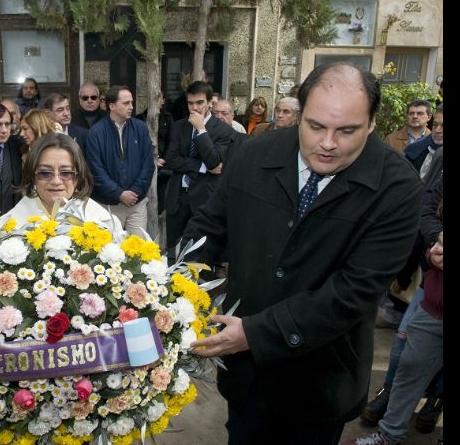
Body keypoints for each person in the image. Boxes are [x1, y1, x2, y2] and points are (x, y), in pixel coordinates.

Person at [184, 63, 422, 445]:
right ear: (299, 113)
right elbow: (207, 230)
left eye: (346, 131)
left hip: (320, 384)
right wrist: (168, 292)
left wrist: (256, 333)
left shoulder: (398, 188)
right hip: (247, 380)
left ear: (372, 123)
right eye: (315, 126)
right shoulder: (253, 154)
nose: (328, 143)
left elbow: (354, 291)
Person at [342, 181, 443, 445]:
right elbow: (428, 208)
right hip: (433, 302)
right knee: (408, 368)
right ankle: (389, 435)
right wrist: (436, 244)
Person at [164, 81, 235, 260]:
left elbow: (214, 161)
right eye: (190, 103)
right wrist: (202, 167)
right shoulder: (179, 126)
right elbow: (171, 159)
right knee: (173, 253)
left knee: (200, 256)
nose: (194, 108)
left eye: (200, 102)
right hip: (178, 199)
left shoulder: (224, 130)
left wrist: (201, 130)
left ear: (211, 102)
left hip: (203, 200)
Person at [5, 132, 122, 233]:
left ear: (78, 177)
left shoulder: (101, 222)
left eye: (66, 173)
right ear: (32, 176)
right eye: (45, 173)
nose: (56, 181)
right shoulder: (10, 224)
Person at [85, 85, 154, 237]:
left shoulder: (140, 128)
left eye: (131, 102)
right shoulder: (96, 133)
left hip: (136, 204)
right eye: (126, 103)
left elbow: (148, 164)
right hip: (107, 205)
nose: (131, 107)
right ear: (112, 106)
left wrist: (134, 192)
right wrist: (119, 193)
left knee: (139, 252)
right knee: (108, 253)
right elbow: (95, 170)